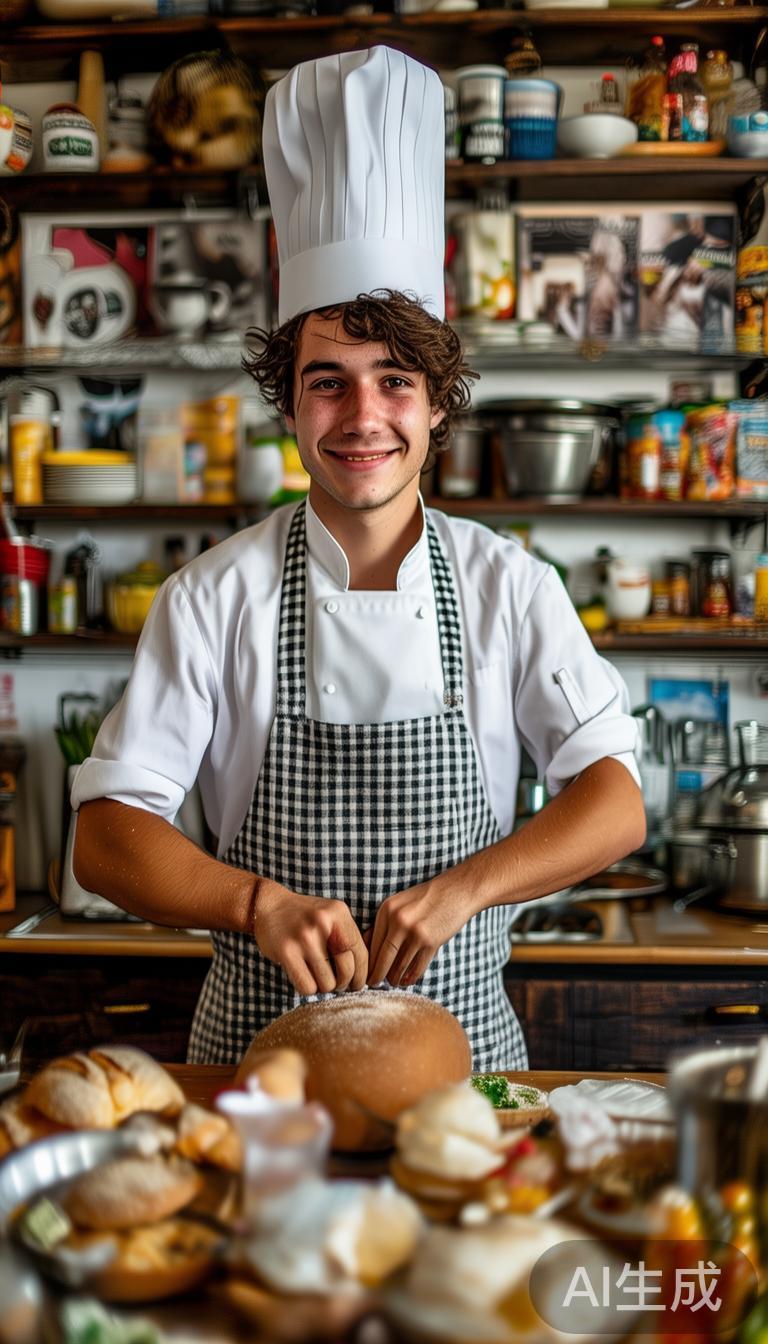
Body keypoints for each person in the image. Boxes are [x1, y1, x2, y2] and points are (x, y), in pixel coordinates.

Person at [72, 47, 645, 1071]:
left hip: (463, 1088)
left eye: (395, 380)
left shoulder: (510, 587)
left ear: (437, 405)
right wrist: (256, 903)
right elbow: (107, 837)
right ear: (289, 402)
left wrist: (467, 889)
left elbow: (614, 800)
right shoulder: (213, 596)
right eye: (328, 381)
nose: (363, 417)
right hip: (260, 1084)